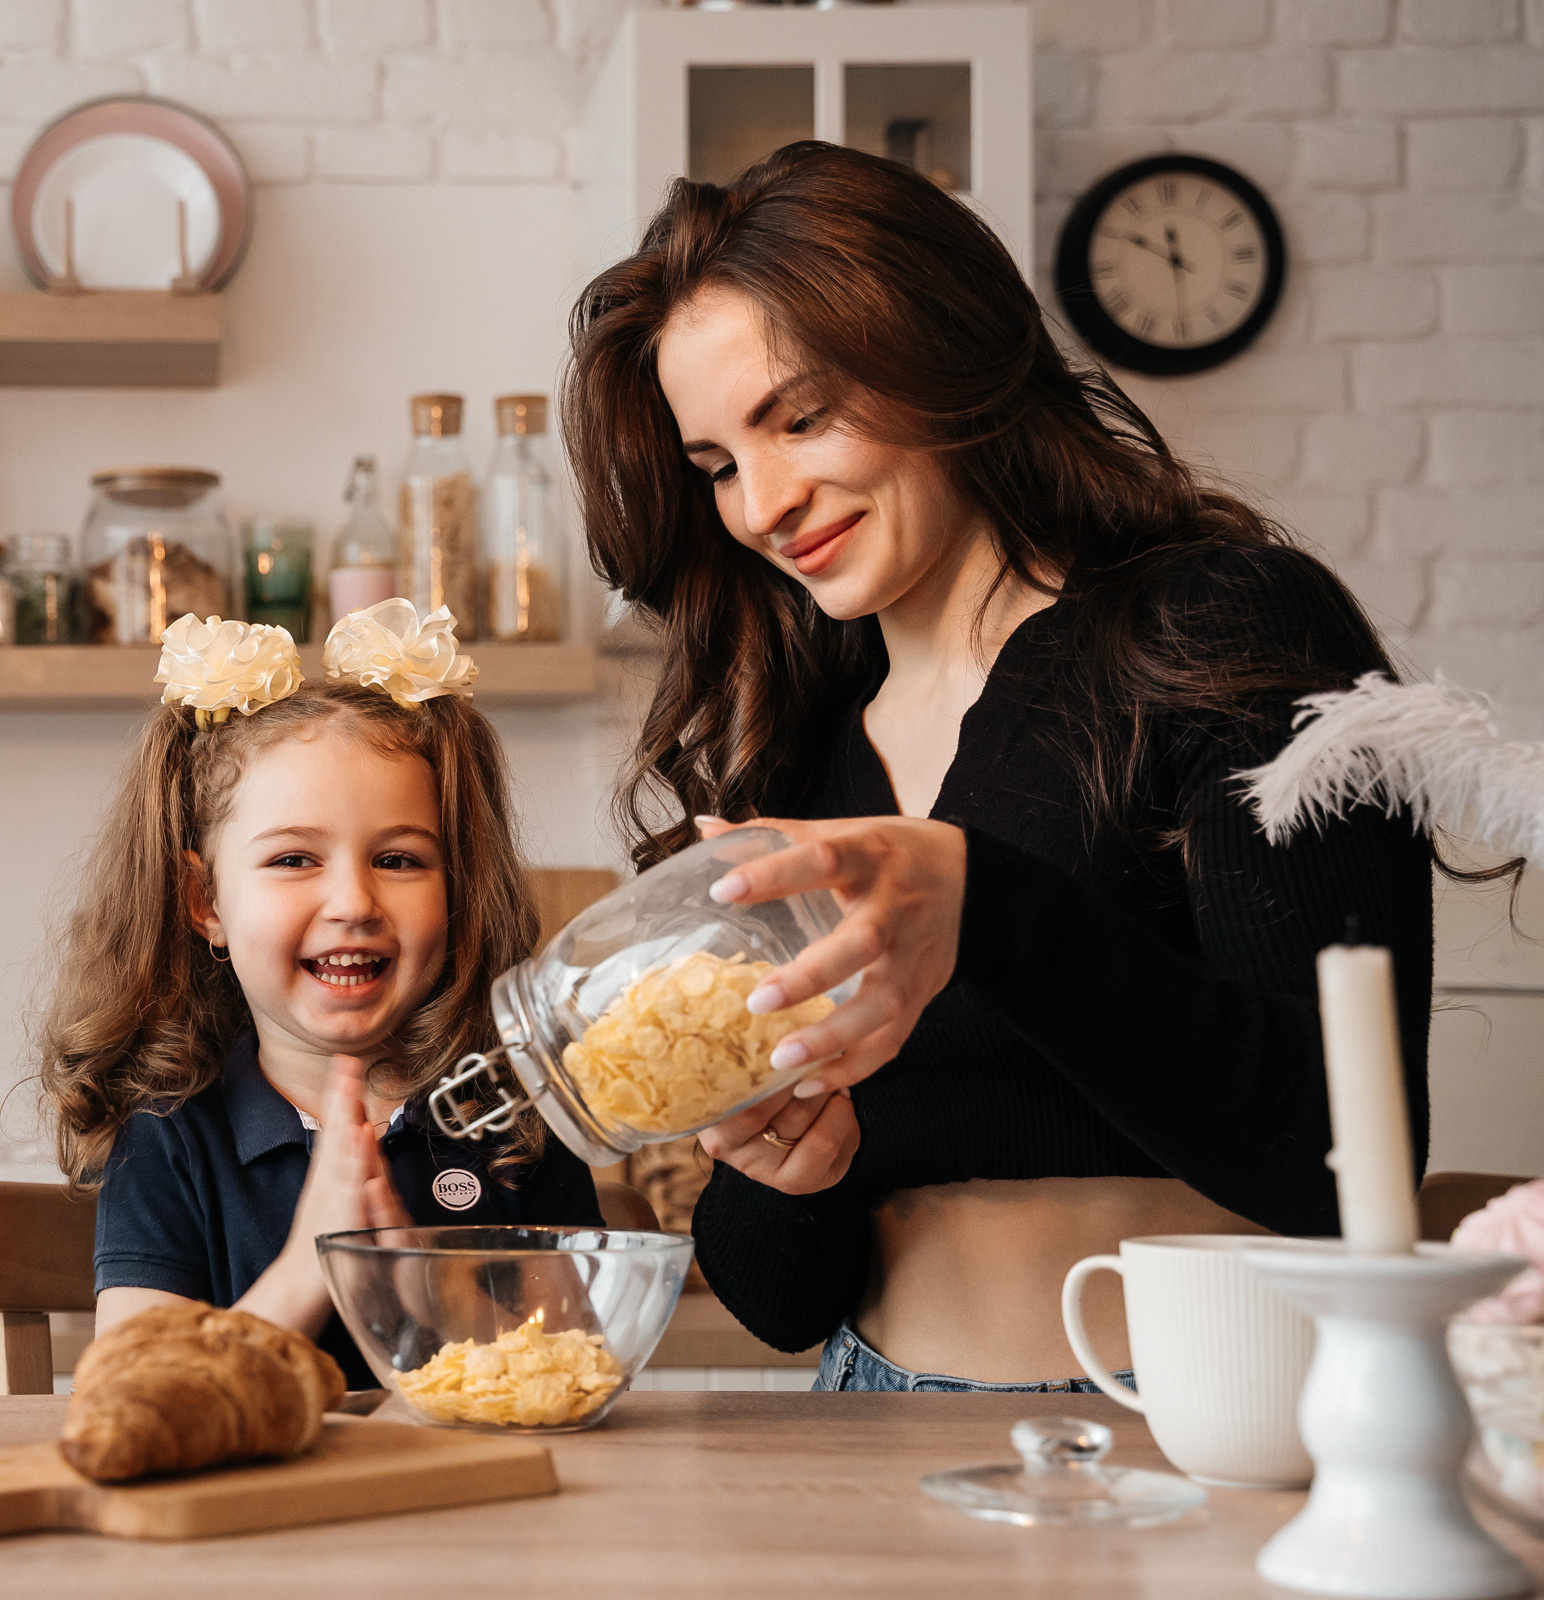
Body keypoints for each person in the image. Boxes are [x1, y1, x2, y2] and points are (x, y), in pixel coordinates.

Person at [561, 141, 1444, 1391]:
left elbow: (1347, 1154)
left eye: (801, 417)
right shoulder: (797, 760)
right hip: (870, 1419)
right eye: (717, 467)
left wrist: (987, 904)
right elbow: (776, 1303)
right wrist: (793, 1179)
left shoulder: (1226, 628)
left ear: (942, 354)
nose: (762, 504)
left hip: (1194, 1432)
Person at [39, 603, 604, 1390]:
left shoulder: (517, 1125)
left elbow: (573, 1381)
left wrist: (419, 1289)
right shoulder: (169, 1141)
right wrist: (316, 1261)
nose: (353, 902)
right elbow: (135, 1397)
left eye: (401, 860)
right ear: (206, 903)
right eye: (295, 859)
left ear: (459, 890)